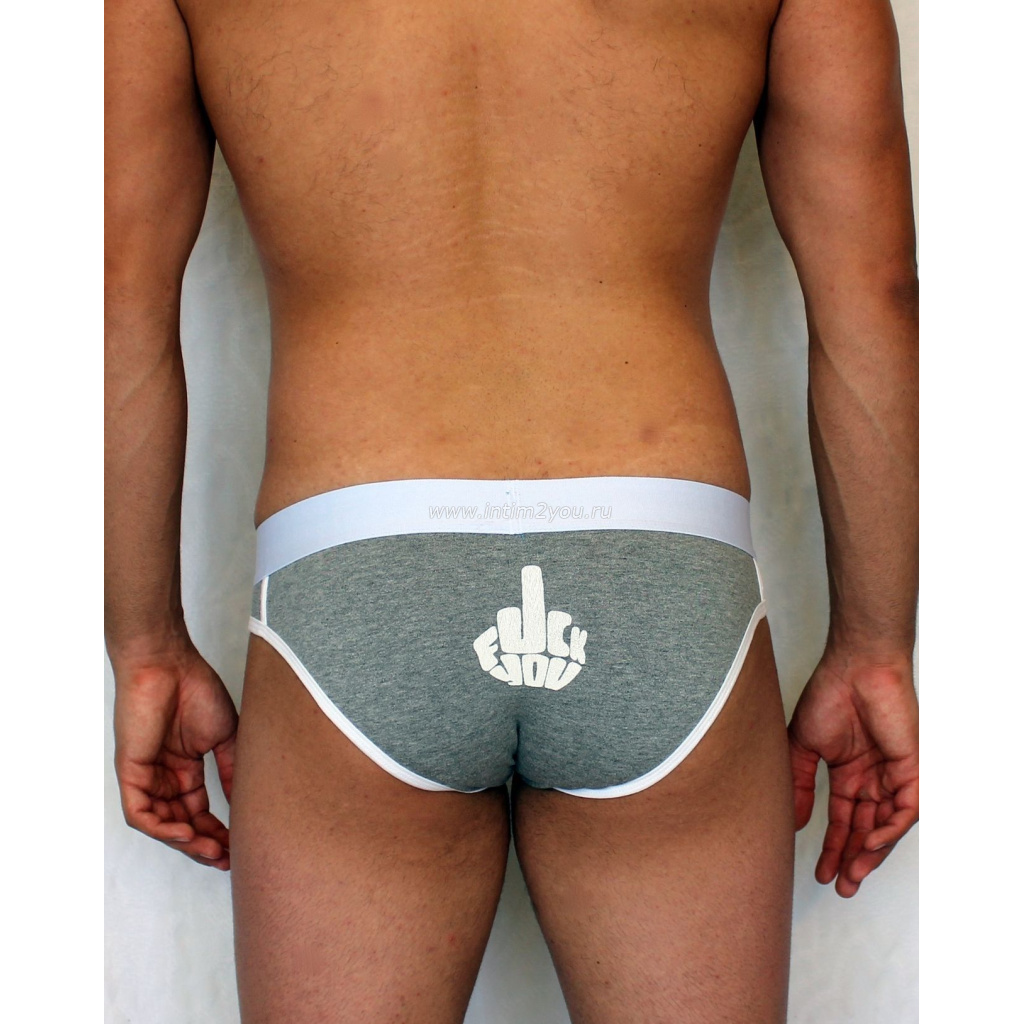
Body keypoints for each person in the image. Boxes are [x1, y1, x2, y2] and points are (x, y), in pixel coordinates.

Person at [104, 0, 919, 1020]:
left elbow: (114, 298)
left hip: (358, 563)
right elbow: (874, 292)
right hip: (659, 566)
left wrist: (144, 644)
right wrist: (875, 647)